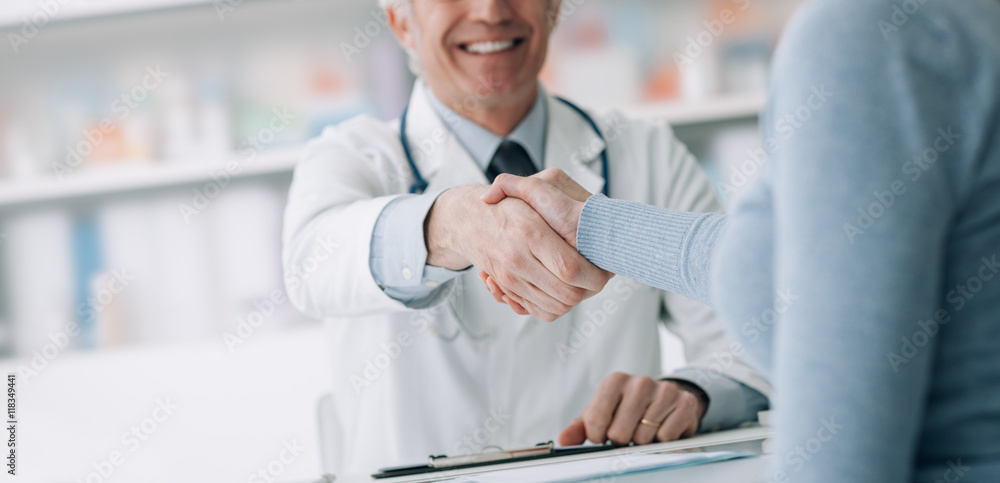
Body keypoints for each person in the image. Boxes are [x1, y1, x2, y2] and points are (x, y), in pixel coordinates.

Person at [481, 0, 1000, 481]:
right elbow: (823, 266)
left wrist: (696, 390)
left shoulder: (868, 36)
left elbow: (840, 456)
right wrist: (592, 226)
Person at [282, 0, 769, 474]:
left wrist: (694, 392)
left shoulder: (644, 152)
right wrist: (450, 222)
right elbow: (309, 264)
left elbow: (755, 331)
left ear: (554, 9)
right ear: (402, 24)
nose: (491, 11)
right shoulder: (352, 157)